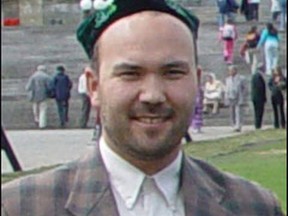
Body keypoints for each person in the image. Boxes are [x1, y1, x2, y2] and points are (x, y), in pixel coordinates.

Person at [2, 1, 284, 215]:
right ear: (94, 87)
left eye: (172, 72)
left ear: (197, 82)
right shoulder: (21, 207)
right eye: (130, 74)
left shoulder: (253, 207)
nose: (152, 95)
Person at [224, 65, 247, 132]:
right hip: (231, 97)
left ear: (235, 70)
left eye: (231, 70)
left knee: (238, 112)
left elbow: (245, 88)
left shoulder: (241, 78)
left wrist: (243, 95)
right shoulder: (227, 79)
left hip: (238, 97)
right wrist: (226, 97)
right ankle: (233, 124)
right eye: (229, 71)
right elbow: (227, 89)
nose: (230, 72)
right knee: (232, 112)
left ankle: (238, 125)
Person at [251, 63, 267, 129]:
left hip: (256, 97)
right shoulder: (258, 76)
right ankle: (258, 125)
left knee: (258, 112)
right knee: (259, 111)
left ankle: (258, 124)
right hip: (258, 98)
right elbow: (259, 88)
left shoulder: (256, 75)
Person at [191, 66, 204, 133]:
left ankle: (197, 126)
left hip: (197, 96)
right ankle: (194, 126)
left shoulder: (198, 85)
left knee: (197, 112)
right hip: (194, 94)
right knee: (194, 112)